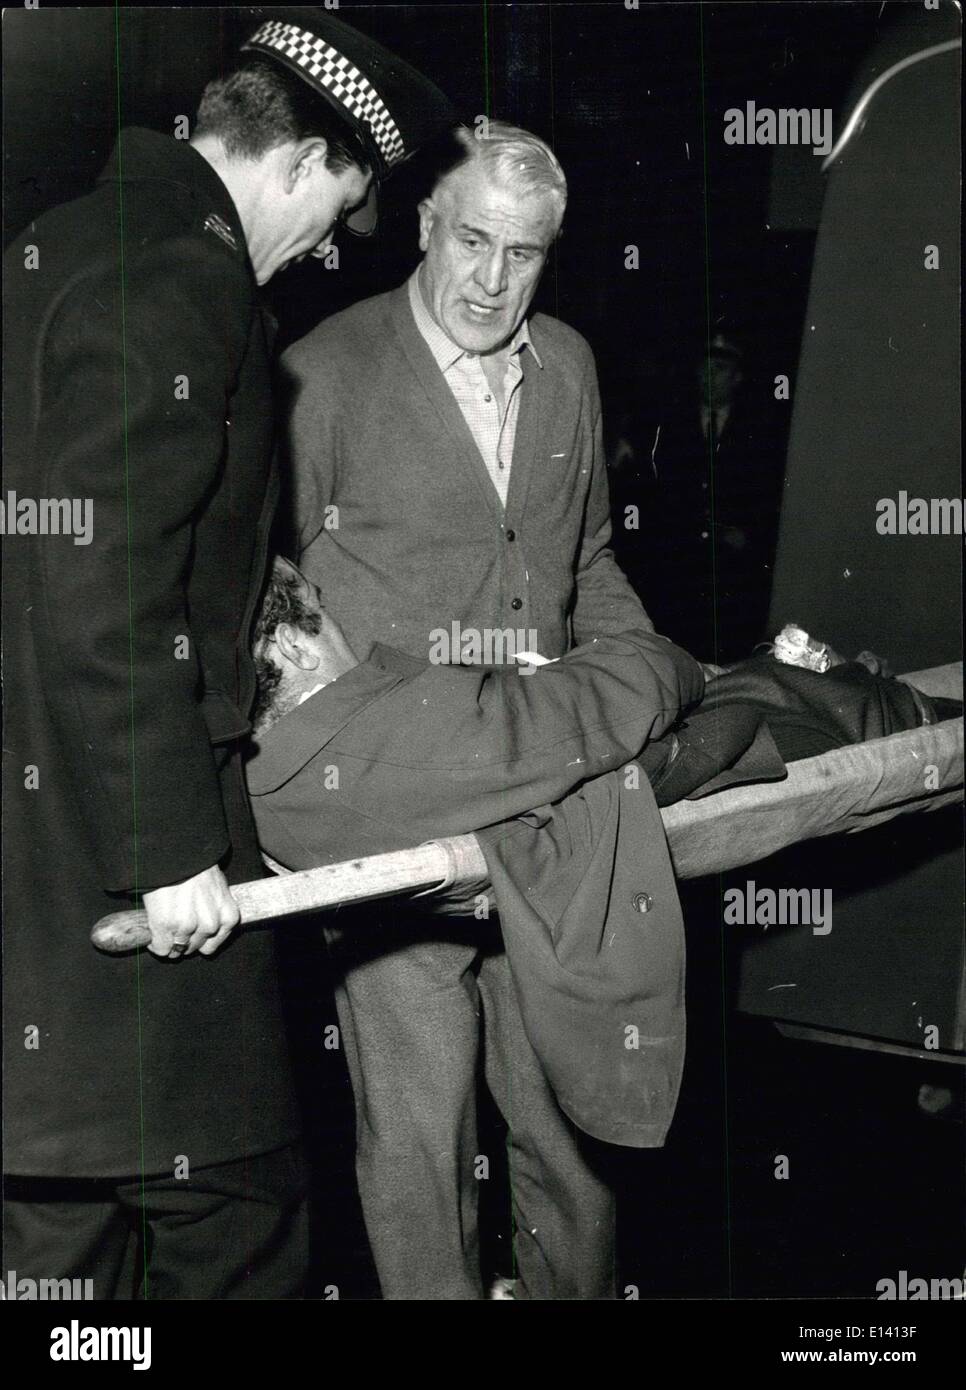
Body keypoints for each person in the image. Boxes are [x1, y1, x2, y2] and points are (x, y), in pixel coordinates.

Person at [2, 10, 454, 1299]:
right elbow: (107, 588)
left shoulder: (59, 240)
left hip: (30, 853)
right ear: (303, 163)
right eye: (335, 213)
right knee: (239, 1209)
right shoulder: (188, 281)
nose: (320, 255)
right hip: (125, 862)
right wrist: (173, 852)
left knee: (55, 1244)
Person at [279, 122, 661, 1299]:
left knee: (568, 1131)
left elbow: (586, 561)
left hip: (552, 808)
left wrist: (644, 678)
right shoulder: (321, 370)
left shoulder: (574, 369)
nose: (495, 281)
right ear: (426, 226)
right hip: (396, 815)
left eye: (528, 253)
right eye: (475, 241)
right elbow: (268, 590)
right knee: (420, 1135)